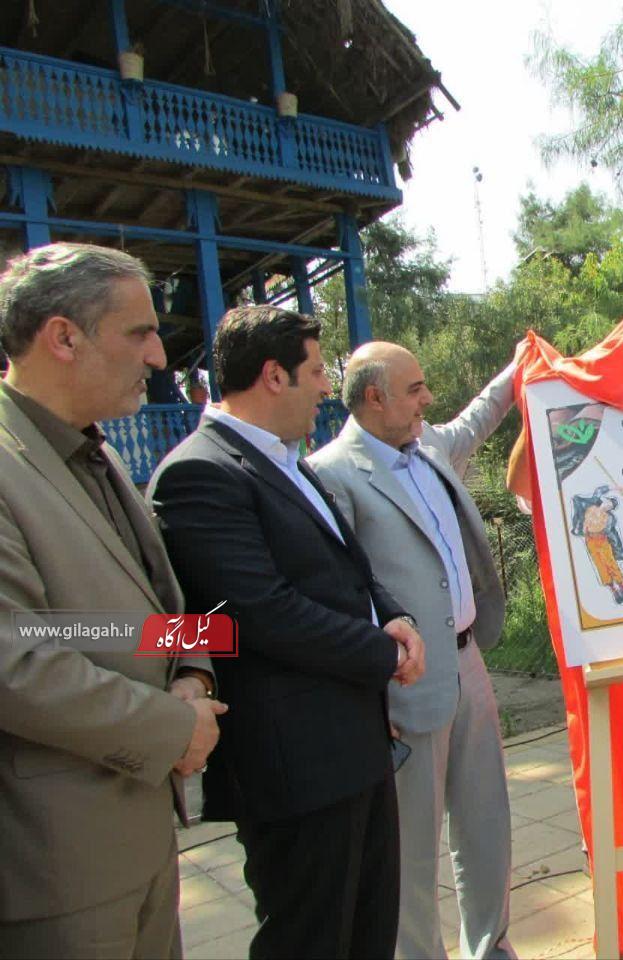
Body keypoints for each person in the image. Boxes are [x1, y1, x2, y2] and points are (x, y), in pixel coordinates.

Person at [149, 306, 425, 959]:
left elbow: (344, 566)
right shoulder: (200, 473)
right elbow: (258, 612)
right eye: (316, 372)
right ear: (273, 376)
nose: (328, 388)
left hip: (353, 746)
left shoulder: (283, 460)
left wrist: (391, 613)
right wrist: (380, 653)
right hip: (296, 767)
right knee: (311, 940)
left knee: (368, 933)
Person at [0, 243, 222, 958]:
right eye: (140, 333)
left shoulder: (99, 455)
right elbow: (16, 663)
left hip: (144, 846)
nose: (159, 357)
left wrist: (196, 672)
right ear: (63, 337)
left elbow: (147, 612)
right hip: (57, 872)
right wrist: (173, 727)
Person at [309, 341, 520, 960]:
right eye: (415, 389)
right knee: (411, 847)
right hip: (404, 680)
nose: (428, 398)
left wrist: (519, 367)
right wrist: (371, 682)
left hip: (469, 662)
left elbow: (478, 418)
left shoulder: (429, 445)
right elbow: (337, 590)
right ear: (375, 398)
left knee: (486, 821)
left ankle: (492, 948)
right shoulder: (331, 474)